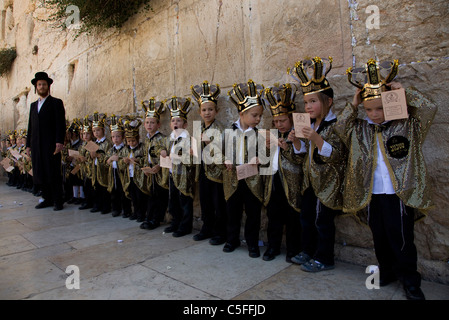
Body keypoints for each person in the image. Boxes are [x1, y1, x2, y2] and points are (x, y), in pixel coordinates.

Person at [335, 59, 436, 300]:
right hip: (372, 193)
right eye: (369, 109)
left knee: (401, 237)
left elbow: (429, 109)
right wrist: (354, 104)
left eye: (379, 108)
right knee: (379, 235)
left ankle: (410, 280)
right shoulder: (360, 129)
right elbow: (340, 127)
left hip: (397, 193)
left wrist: (404, 93)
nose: (374, 114)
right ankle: (387, 271)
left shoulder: (406, 126)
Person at [288, 57, 347, 272]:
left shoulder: (336, 124)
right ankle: (308, 250)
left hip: (328, 183)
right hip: (309, 181)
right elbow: (303, 154)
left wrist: (316, 138)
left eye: (313, 101)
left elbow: (337, 154)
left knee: (323, 221)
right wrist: (296, 141)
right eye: (306, 103)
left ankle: (325, 257)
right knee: (307, 217)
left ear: (328, 101)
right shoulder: (310, 124)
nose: (308, 106)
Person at [261, 84, 305, 262]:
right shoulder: (272, 135)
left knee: (293, 217)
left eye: (283, 121)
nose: (279, 125)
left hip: (292, 183)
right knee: (274, 217)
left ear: (291, 120)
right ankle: (273, 247)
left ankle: (293, 249)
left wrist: (288, 147)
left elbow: (300, 160)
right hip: (274, 182)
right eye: (276, 122)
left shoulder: (298, 135)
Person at [223, 80, 265, 258]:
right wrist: (225, 159)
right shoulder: (228, 132)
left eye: (259, 116)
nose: (258, 119)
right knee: (232, 211)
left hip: (252, 180)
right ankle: (232, 239)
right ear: (242, 113)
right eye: (254, 115)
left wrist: (259, 158)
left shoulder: (259, 134)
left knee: (253, 213)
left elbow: (265, 154)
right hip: (233, 178)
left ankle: (252, 243)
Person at [191, 81, 227, 245]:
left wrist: (207, 143)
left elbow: (221, 152)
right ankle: (207, 228)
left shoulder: (219, 128)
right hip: (203, 171)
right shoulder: (199, 129)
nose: (207, 113)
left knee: (218, 203)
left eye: (210, 109)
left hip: (217, 173)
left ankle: (220, 232)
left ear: (216, 111)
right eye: (204, 110)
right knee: (205, 202)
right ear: (200, 112)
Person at [26, 72, 66, 211]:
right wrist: (28, 145)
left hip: (51, 145)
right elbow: (30, 126)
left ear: (48, 86)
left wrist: (59, 141)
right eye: (39, 85)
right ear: (36, 87)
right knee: (40, 172)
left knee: (53, 172)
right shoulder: (33, 106)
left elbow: (60, 124)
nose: (41, 87)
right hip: (37, 145)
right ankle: (46, 198)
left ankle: (57, 200)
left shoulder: (56, 102)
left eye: (44, 84)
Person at [160, 97, 197, 237]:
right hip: (171, 173)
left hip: (183, 175)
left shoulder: (188, 139)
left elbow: (192, 159)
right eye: (173, 120)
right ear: (170, 124)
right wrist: (162, 151)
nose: (176, 123)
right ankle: (175, 222)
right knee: (173, 200)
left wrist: (181, 157)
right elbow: (162, 149)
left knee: (185, 201)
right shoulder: (169, 139)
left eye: (179, 120)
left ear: (185, 124)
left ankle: (185, 226)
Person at [140, 98, 169, 230]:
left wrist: (159, 166)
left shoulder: (162, 138)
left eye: (152, 122)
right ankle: (149, 217)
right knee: (150, 194)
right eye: (147, 122)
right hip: (149, 171)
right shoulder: (146, 139)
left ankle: (156, 219)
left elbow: (167, 155)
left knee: (160, 196)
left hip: (159, 171)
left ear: (158, 124)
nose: (149, 125)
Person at [119, 118, 148, 222]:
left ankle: (142, 214)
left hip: (139, 177)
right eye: (129, 141)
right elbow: (120, 162)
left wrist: (138, 160)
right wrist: (124, 162)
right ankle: (135, 212)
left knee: (140, 196)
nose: (131, 143)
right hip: (129, 176)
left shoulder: (142, 147)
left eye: (133, 141)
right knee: (133, 196)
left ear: (138, 138)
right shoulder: (125, 150)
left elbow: (145, 159)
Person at [105, 115, 132, 218]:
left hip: (123, 174)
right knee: (114, 191)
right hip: (113, 173)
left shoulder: (125, 149)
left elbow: (126, 160)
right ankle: (116, 208)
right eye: (113, 137)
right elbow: (106, 161)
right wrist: (110, 159)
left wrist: (119, 160)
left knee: (123, 191)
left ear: (123, 137)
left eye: (118, 136)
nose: (115, 139)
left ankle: (126, 210)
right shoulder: (111, 149)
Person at [90, 112, 112, 214]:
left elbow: (107, 155)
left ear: (103, 130)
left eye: (98, 130)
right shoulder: (94, 143)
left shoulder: (107, 143)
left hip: (104, 170)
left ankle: (105, 206)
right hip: (96, 168)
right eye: (94, 131)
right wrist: (91, 156)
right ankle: (97, 204)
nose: (96, 133)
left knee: (104, 188)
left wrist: (99, 155)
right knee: (96, 187)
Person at [65, 119, 84, 205]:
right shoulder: (70, 144)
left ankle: (82, 197)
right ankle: (75, 196)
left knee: (80, 181)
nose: (68, 135)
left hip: (79, 165)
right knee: (73, 181)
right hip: (72, 164)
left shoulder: (80, 144)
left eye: (69, 133)